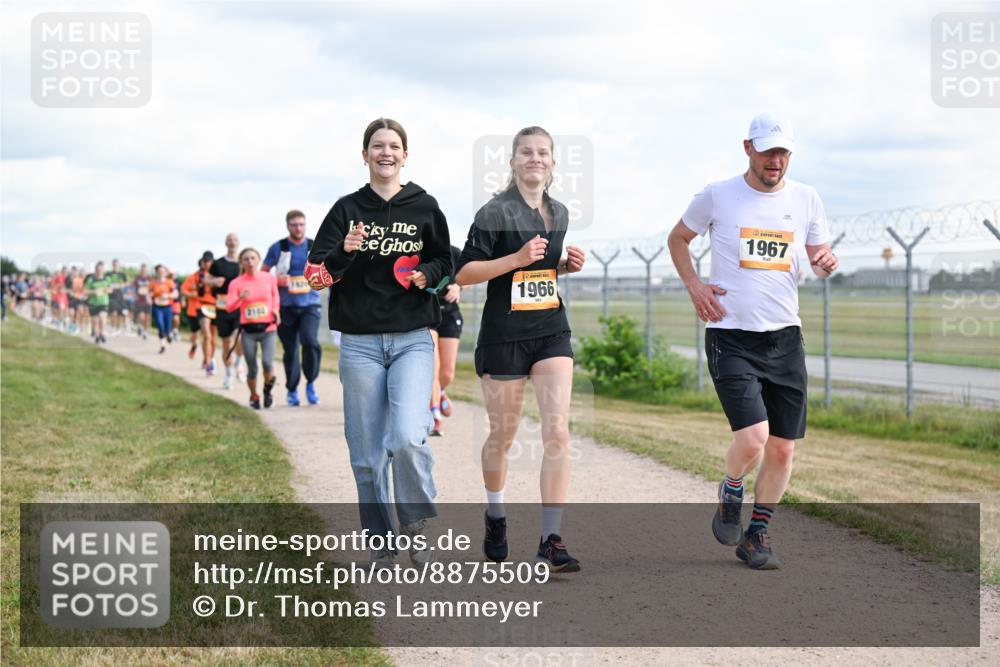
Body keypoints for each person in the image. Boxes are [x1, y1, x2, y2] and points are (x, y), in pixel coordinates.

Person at [667, 112, 839, 570]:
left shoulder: (807, 199)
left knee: (783, 447)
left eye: (783, 152)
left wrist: (825, 261)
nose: (775, 161)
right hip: (731, 334)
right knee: (754, 438)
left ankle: (757, 534)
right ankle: (731, 486)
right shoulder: (718, 195)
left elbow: (817, 262)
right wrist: (696, 288)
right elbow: (678, 239)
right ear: (748, 148)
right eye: (767, 152)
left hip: (784, 336)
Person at [306, 117, 451, 567]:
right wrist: (345, 252)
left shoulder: (425, 207)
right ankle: (382, 540)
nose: (385, 152)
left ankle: (416, 524)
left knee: (408, 437)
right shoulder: (346, 208)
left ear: (405, 155)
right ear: (364, 154)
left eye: (393, 146)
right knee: (367, 456)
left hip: (411, 339)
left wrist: (428, 274)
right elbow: (315, 278)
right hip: (360, 345)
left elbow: (447, 262)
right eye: (377, 146)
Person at [456, 126, 586, 573]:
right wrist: (514, 260)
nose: (535, 158)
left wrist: (563, 266)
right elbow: (465, 272)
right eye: (526, 152)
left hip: (551, 329)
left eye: (543, 152)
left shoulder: (560, 212)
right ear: (512, 162)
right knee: (503, 436)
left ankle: (551, 539)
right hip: (504, 335)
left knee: (557, 432)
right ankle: (496, 515)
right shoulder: (494, 212)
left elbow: (541, 273)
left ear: (553, 163)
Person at [263, 210, 323, 406]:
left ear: (305, 225)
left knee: (310, 341)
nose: (298, 228)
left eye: (301, 224)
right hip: (286, 307)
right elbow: (262, 274)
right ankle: (291, 390)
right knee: (290, 351)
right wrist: (275, 280)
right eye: (294, 225)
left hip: (310, 304)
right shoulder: (278, 247)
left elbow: (328, 269)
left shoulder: (315, 246)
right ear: (288, 226)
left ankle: (311, 383)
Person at [226, 248, 280, 410]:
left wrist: (276, 310)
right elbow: (229, 307)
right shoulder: (236, 283)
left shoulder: (269, 278)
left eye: (253, 258)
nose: (250, 262)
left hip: (268, 328)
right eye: (246, 259)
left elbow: (275, 296)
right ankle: (254, 395)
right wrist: (240, 298)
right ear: (241, 262)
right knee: (252, 369)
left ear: (258, 259)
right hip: (248, 331)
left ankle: (267, 392)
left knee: (267, 363)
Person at [429, 245, 464, 436]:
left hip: (450, 315)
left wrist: (459, 286)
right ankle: (435, 417)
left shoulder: (454, 253)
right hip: (427, 316)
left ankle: (440, 392)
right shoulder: (419, 251)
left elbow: (472, 276)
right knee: (433, 368)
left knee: (447, 373)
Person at [207, 233, 245, 389]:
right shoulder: (217, 263)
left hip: (239, 306)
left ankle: (239, 363)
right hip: (222, 307)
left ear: (238, 243)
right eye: (229, 240)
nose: (232, 242)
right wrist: (214, 281)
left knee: (240, 338)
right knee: (227, 342)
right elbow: (207, 280)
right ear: (225, 243)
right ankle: (229, 374)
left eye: (235, 239)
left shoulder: (244, 262)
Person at [181, 252, 218, 375]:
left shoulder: (218, 275)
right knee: (206, 334)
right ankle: (208, 362)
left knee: (213, 337)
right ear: (202, 263)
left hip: (216, 307)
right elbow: (184, 289)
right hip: (201, 306)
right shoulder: (196, 276)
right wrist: (191, 294)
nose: (208, 264)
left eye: (210, 261)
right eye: (206, 261)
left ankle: (209, 358)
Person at [149, 264, 178, 353]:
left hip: (167, 307)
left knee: (167, 326)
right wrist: (150, 299)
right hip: (157, 307)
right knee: (160, 324)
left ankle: (168, 334)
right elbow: (149, 294)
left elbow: (176, 294)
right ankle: (163, 345)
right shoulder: (153, 283)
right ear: (157, 272)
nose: (161, 273)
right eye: (159, 271)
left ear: (165, 272)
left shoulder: (169, 282)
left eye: (163, 271)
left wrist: (168, 295)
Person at [84, 261, 113, 344]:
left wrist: (107, 290)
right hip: (93, 303)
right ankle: (98, 336)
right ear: (95, 270)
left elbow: (111, 289)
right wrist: (93, 291)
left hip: (104, 302)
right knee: (96, 321)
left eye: (101, 269)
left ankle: (101, 333)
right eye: (98, 269)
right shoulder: (91, 279)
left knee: (102, 318)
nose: (99, 270)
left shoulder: (107, 279)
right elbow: (85, 291)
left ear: (103, 270)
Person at [106, 258, 128, 335]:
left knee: (119, 314)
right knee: (113, 313)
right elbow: (106, 283)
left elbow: (126, 284)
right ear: (112, 265)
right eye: (114, 264)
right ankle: (113, 327)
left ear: (119, 265)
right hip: (112, 296)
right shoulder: (108, 274)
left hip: (120, 296)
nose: (115, 266)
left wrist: (120, 286)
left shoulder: (122, 275)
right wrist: (109, 287)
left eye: (117, 264)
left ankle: (118, 328)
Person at [133, 264, 153, 339]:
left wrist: (150, 296)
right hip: (139, 301)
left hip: (147, 301)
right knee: (142, 316)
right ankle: (140, 326)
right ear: (140, 270)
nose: (143, 271)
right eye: (142, 269)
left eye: (145, 269)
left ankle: (145, 331)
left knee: (147, 318)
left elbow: (152, 288)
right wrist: (135, 295)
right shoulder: (137, 278)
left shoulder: (150, 278)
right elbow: (133, 287)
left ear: (146, 270)